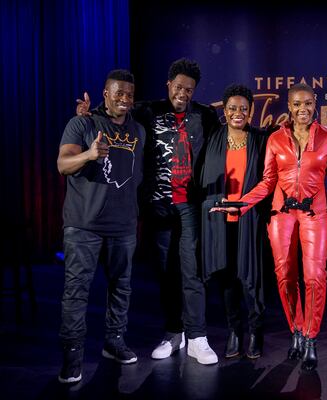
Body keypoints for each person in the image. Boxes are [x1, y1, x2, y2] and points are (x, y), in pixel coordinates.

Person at [212, 83, 327, 371]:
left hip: (315, 214)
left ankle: (311, 339)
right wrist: (242, 203)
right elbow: (266, 182)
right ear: (290, 106)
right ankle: (297, 332)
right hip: (282, 214)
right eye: (298, 104)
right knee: (285, 276)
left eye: (309, 104)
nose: (303, 109)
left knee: (315, 278)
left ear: (315, 106)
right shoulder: (276, 139)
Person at [76, 58, 220, 364]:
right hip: (157, 206)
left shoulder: (205, 116)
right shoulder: (147, 110)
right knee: (166, 272)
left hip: (190, 206)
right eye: (179, 86)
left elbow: (231, 140)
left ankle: (197, 337)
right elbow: (116, 113)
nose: (183, 93)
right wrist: (89, 117)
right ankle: (173, 333)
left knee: (191, 271)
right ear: (168, 85)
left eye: (189, 89)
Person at [57, 69, 145, 383]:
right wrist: (90, 154)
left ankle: (114, 341)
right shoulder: (82, 124)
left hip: (123, 225)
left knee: (121, 288)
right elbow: (62, 164)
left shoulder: (138, 130)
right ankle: (72, 357)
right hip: (84, 225)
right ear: (105, 93)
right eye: (118, 93)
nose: (124, 99)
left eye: (129, 94)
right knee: (76, 293)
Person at [199, 84, 273, 359]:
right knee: (227, 278)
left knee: (251, 278)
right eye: (232, 108)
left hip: (250, 218)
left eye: (243, 108)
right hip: (220, 219)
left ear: (251, 111)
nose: (238, 113)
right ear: (225, 111)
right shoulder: (213, 138)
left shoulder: (260, 139)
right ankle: (233, 329)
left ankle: (255, 331)